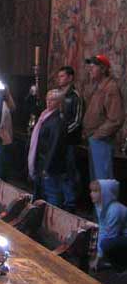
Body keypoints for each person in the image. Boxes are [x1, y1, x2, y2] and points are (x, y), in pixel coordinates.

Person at [82, 55, 124, 180]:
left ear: (103, 69)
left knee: (102, 183)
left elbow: (116, 119)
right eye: (89, 67)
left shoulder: (110, 88)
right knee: (96, 183)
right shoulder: (98, 87)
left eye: (93, 67)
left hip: (102, 141)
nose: (90, 70)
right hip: (95, 140)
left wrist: (97, 135)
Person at [28, 89, 67, 206]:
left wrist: (47, 166)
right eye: (47, 99)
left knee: (52, 193)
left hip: (50, 164)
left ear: (59, 102)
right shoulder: (45, 116)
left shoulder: (57, 120)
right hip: (41, 160)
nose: (49, 102)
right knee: (40, 191)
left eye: (53, 100)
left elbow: (55, 145)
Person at [57, 65, 84, 213]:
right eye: (59, 76)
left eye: (62, 76)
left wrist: (63, 133)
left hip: (69, 141)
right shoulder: (59, 94)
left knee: (69, 170)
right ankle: (61, 198)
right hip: (58, 141)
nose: (59, 79)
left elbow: (77, 120)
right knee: (60, 170)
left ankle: (71, 202)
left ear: (70, 77)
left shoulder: (75, 96)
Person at [90, 179, 127, 271]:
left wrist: (98, 258)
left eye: (95, 191)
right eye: (91, 191)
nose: (91, 194)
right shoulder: (100, 206)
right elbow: (102, 228)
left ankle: (121, 266)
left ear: (105, 193)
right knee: (103, 242)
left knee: (106, 243)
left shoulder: (115, 210)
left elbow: (110, 234)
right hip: (121, 235)